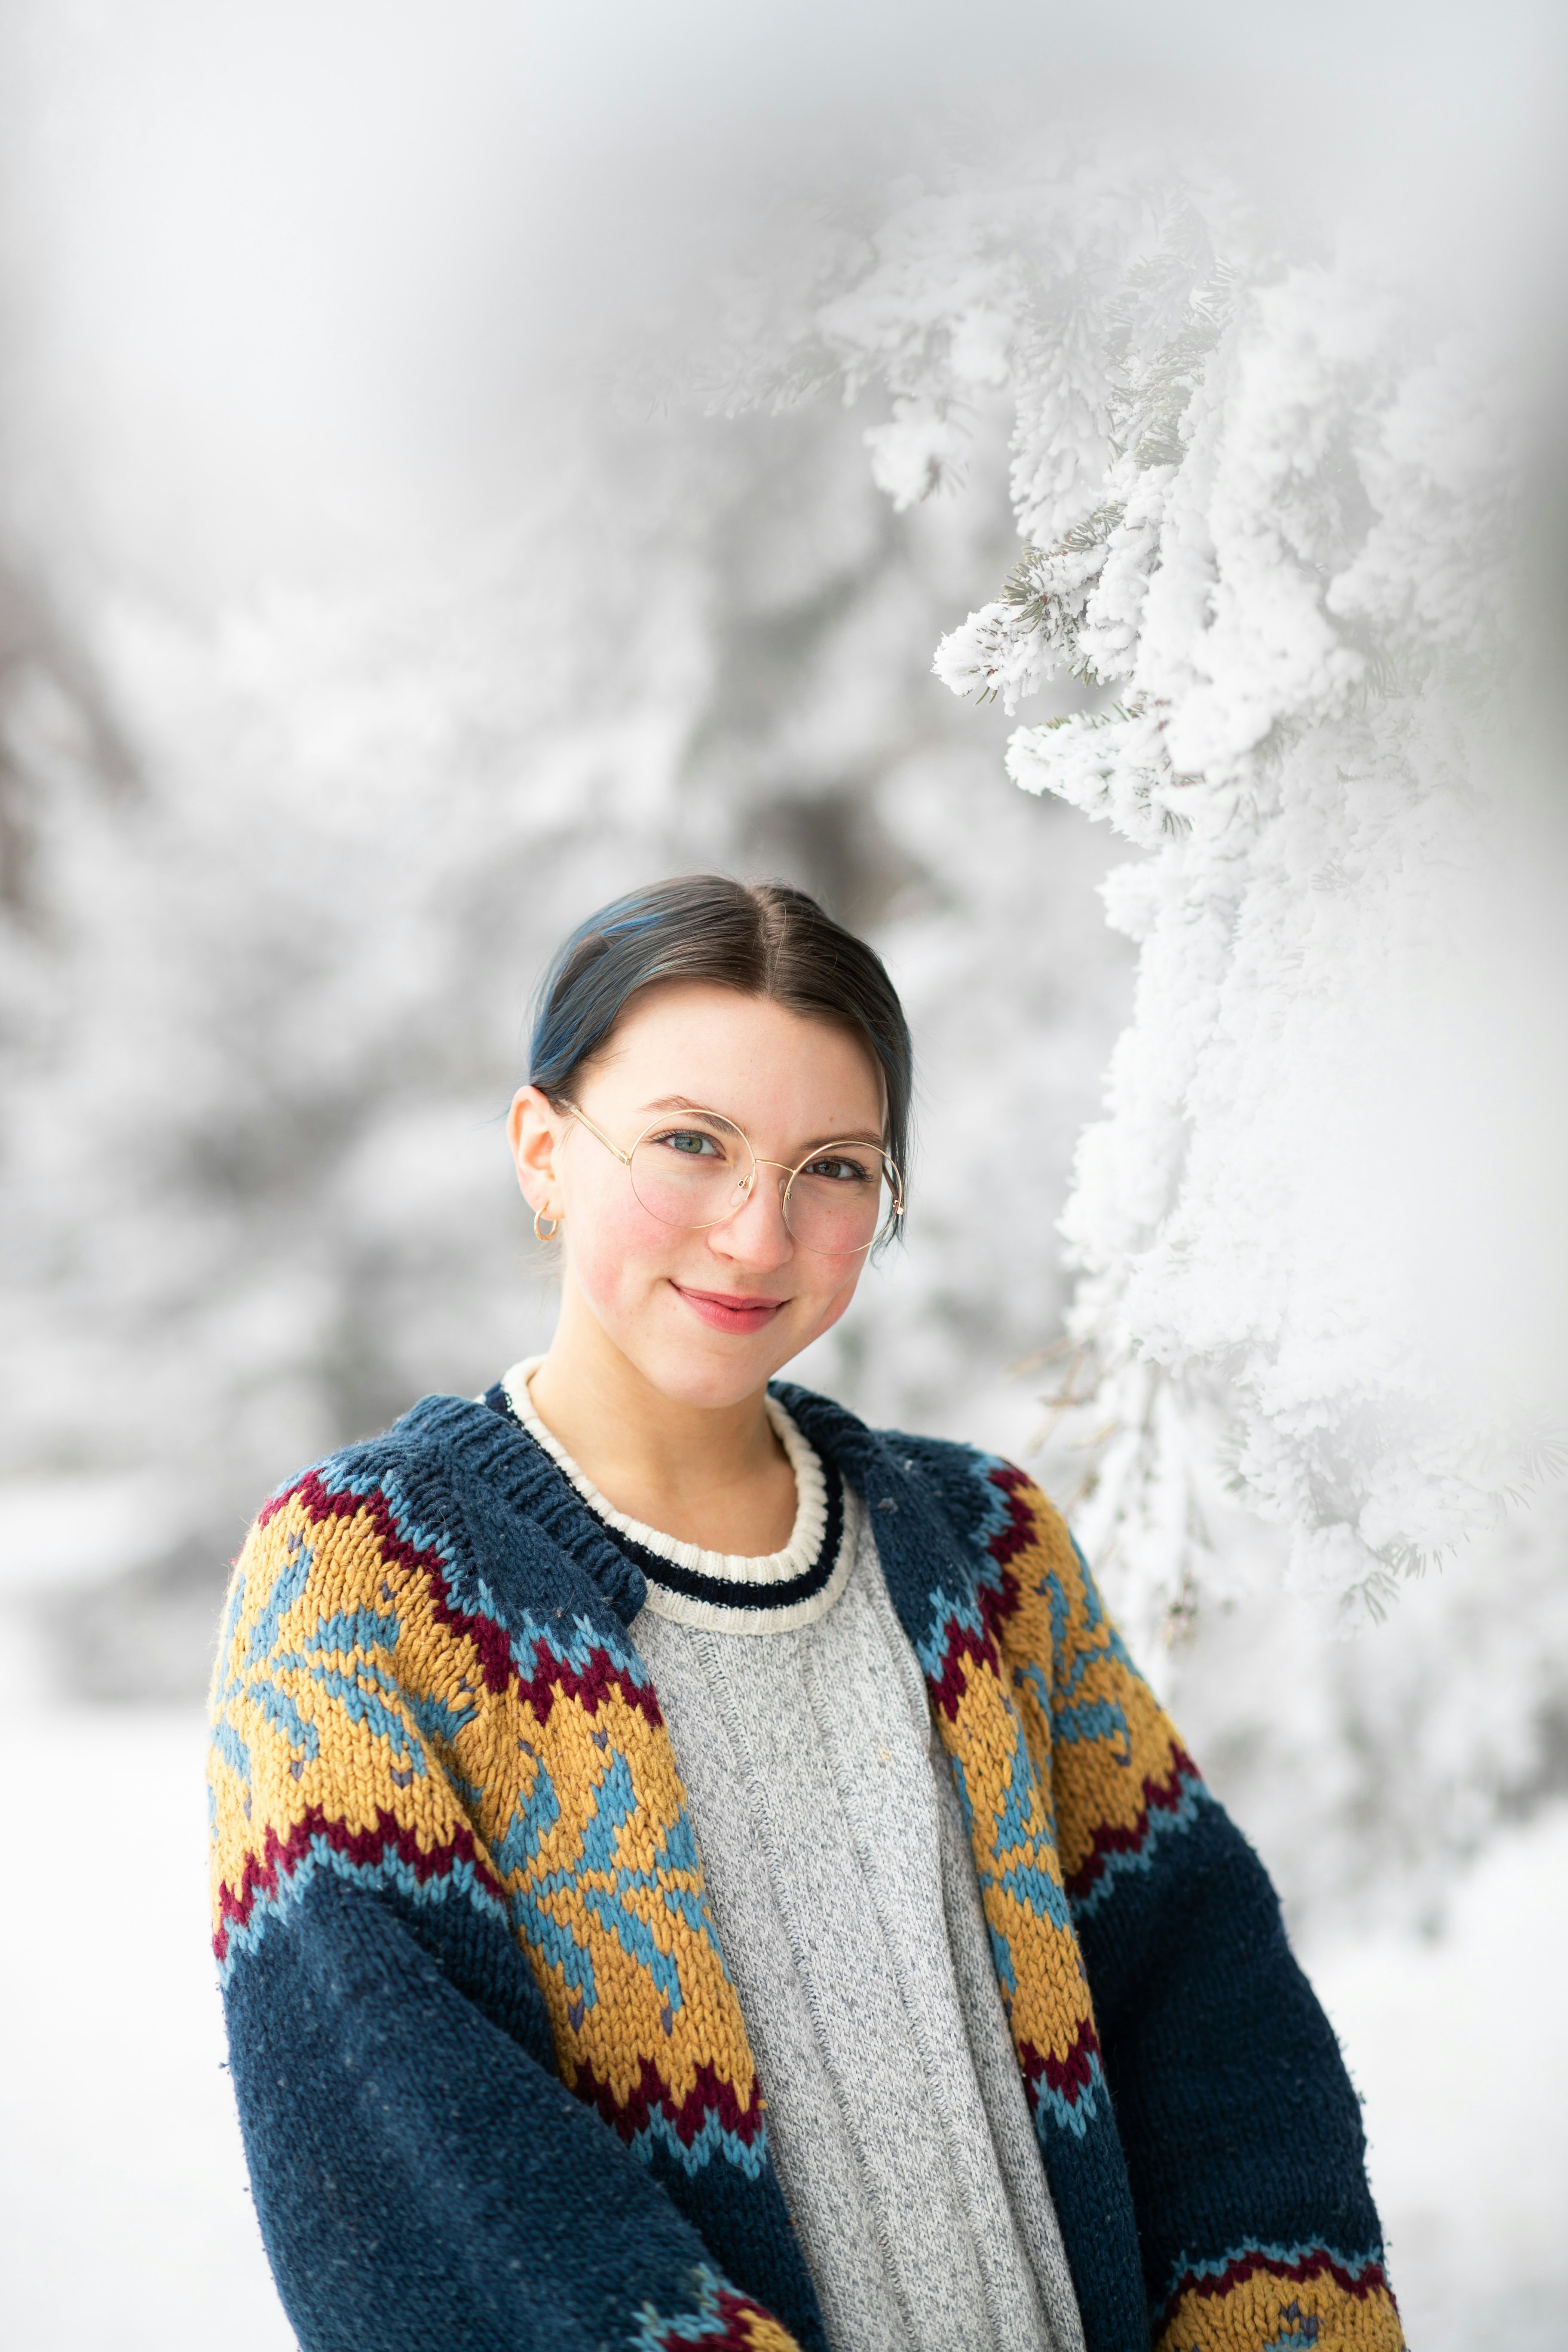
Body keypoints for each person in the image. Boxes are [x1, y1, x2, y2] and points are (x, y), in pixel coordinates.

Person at [208, 875, 1403, 2352]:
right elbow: (407, 2152)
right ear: (542, 1151)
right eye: (690, 1145)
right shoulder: (367, 1577)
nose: (757, 1237)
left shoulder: (989, 1555)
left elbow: (1206, 2005)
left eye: (834, 1168)